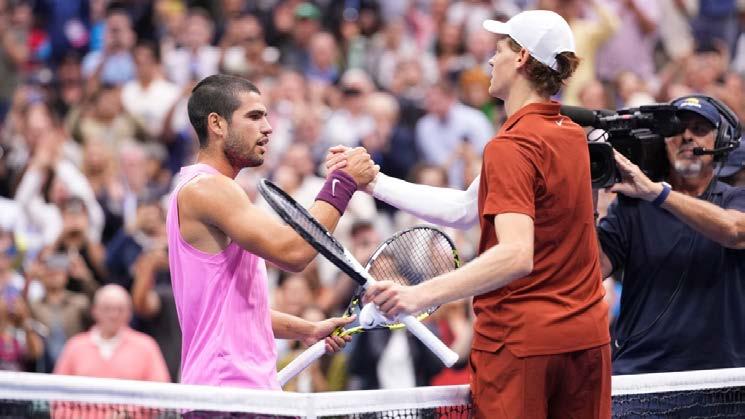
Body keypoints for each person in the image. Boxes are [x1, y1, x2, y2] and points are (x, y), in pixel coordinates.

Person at [328, 10, 610, 418]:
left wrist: (419, 294)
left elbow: (516, 255)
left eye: (500, 50)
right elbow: (465, 208)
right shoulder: (572, 136)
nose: (491, 60)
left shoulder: (512, 146)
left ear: (521, 58)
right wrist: (374, 182)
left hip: (522, 345)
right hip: (586, 340)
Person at [167, 74, 377, 390]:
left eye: (265, 116)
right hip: (229, 389)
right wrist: (343, 183)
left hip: (234, 387)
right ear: (217, 124)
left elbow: (235, 312)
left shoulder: (210, 189)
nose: (267, 127)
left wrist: (305, 329)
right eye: (254, 116)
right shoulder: (208, 188)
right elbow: (294, 252)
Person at [597, 95, 745, 374]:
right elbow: (592, 270)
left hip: (719, 375)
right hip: (642, 374)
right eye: (676, 129)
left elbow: (734, 231)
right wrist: (588, 198)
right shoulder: (633, 205)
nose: (686, 136)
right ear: (662, 142)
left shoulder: (736, 198)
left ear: (721, 141)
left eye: (699, 129)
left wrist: (656, 193)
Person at [53, 284, 170, 381]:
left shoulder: (146, 346)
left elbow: (160, 389)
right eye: (107, 308)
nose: (113, 315)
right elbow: (58, 392)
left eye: (120, 309)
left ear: (129, 313)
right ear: (94, 311)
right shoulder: (75, 346)